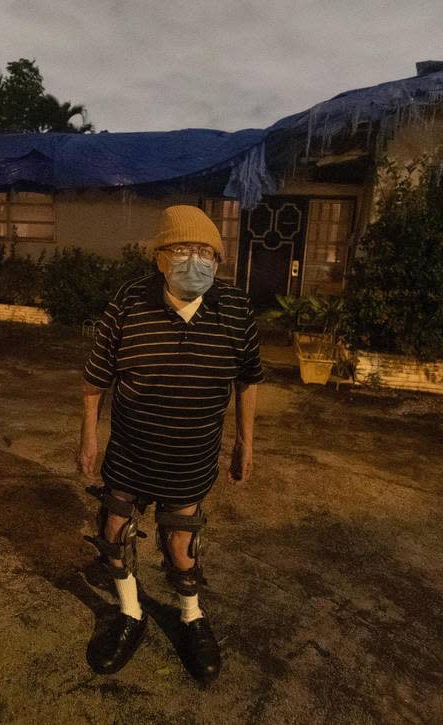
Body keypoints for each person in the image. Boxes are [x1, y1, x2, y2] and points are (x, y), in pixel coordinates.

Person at [76, 204, 264, 685]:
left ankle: (190, 615)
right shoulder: (128, 302)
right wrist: (90, 438)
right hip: (131, 453)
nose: (195, 260)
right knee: (114, 531)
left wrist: (246, 443)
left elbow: (248, 380)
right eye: (183, 249)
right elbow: (96, 380)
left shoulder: (236, 308)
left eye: (207, 252)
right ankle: (131, 612)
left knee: (183, 541)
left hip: (191, 455)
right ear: (159, 257)